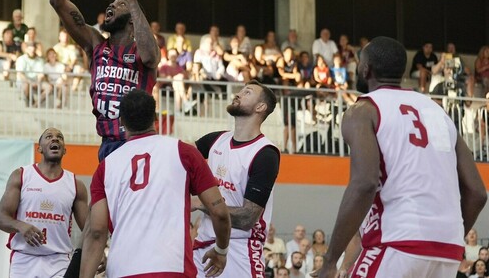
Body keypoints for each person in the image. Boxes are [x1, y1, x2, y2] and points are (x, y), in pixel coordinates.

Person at [314, 36, 487, 278]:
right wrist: (449, 236)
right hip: (447, 250)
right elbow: (478, 193)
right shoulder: (437, 112)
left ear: (366, 69)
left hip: (397, 242)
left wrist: (331, 260)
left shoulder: (363, 110)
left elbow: (364, 183)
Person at [46, 0, 159, 161]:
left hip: (138, 141)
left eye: (119, 5)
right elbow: (58, 1)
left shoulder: (142, 50)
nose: (111, 5)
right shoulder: (96, 44)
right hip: (107, 143)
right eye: (112, 3)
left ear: (132, 20)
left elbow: (152, 58)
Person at [79, 89, 231, 277]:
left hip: (122, 269)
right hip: (172, 268)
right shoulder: (184, 152)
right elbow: (220, 212)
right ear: (156, 117)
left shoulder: (105, 167)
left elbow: (96, 232)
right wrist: (221, 251)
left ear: (121, 122)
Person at [192, 81, 281, 277]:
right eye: (240, 90)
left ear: (260, 107)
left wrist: (200, 203)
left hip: (239, 248)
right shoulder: (215, 140)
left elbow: (247, 217)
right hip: (203, 247)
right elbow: (178, 159)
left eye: (247, 92)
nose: (238, 94)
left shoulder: (265, 153)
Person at [0, 128, 89, 277]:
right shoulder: (21, 175)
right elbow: (1, 219)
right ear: (39, 148)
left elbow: (89, 228)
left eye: (59, 137)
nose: (55, 139)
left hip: (58, 260)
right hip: (24, 258)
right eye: (49, 137)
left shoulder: (75, 184)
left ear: (64, 150)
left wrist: (101, 253)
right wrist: (21, 226)